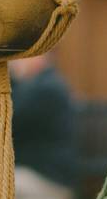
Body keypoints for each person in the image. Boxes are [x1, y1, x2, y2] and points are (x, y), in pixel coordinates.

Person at [10, 54, 77, 199]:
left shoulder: (46, 88)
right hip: (38, 172)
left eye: (22, 57)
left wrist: (10, 76)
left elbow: (8, 118)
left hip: (49, 180)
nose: (16, 62)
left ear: (38, 57)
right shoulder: (40, 84)